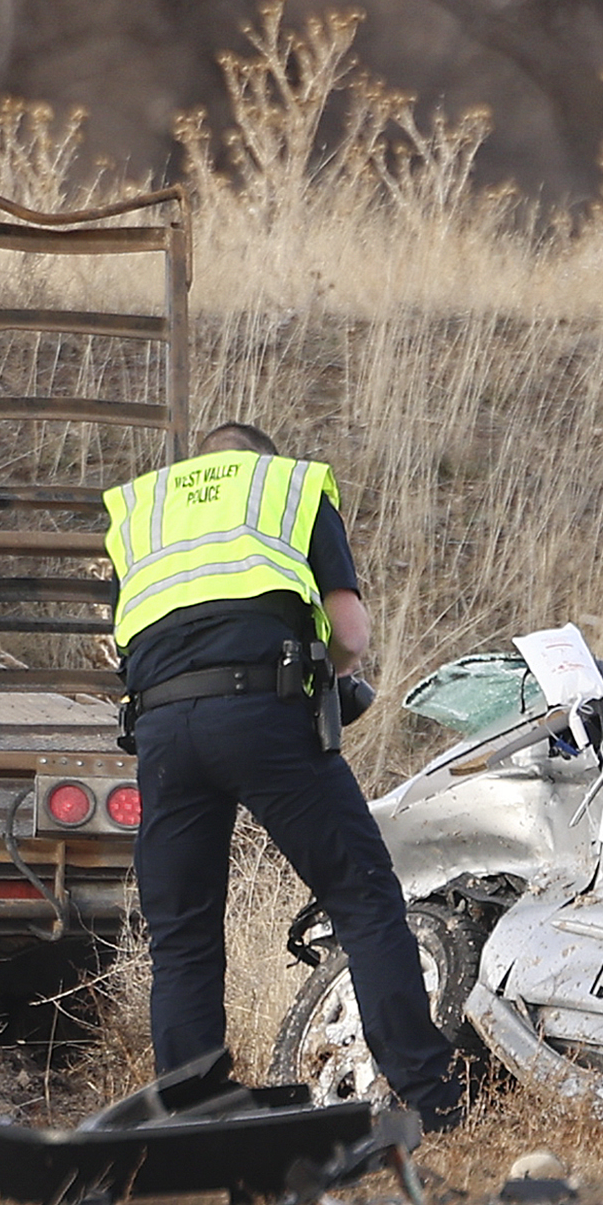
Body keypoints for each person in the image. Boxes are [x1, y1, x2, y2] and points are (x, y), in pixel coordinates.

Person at [104, 422, 464, 1130]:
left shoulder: (145, 508)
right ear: (258, 463)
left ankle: (189, 1118)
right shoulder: (286, 487)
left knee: (182, 934)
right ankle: (430, 1100)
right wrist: (332, 678)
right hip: (260, 712)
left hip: (162, 729)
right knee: (363, 899)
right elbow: (349, 634)